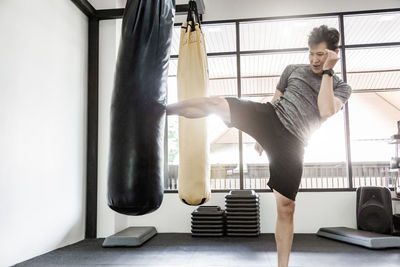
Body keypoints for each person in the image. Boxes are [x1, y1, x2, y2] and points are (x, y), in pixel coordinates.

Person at [166, 25, 352, 267]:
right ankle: (161, 110)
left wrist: (327, 72)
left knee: (287, 208)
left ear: (334, 53)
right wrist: (260, 138)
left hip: (294, 143)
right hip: (269, 117)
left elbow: (326, 110)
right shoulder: (293, 70)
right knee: (216, 103)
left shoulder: (341, 87)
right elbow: (275, 100)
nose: (315, 60)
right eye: (311, 54)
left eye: (321, 54)